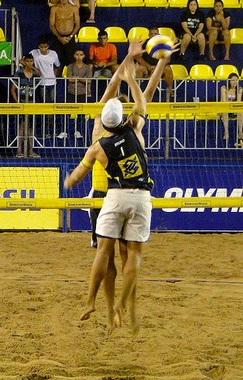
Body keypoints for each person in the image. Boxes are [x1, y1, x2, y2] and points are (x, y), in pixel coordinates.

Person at [64, 41, 168, 336]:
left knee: (110, 258)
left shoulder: (101, 133)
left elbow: (139, 91)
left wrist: (142, 62)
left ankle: (112, 311)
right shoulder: (131, 125)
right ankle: (115, 313)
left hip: (107, 196)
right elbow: (136, 93)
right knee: (125, 258)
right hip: (117, 195)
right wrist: (148, 62)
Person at [12, 53, 41, 158]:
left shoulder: (34, 74)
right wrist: (18, 103)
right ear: (24, 62)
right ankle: (19, 150)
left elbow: (40, 74)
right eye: (27, 61)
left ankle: (30, 150)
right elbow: (13, 90)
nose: (29, 63)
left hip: (31, 104)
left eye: (31, 61)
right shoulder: (19, 73)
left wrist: (32, 67)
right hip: (22, 103)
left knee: (30, 128)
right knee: (22, 127)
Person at [135, 26, 175, 100]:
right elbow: (137, 57)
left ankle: (170, 90)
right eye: (152, 34)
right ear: (149, 35)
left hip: (159, 68)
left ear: (159, 34)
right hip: (147, 67)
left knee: (168, 68)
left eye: (155, 34)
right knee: (140, 68)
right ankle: (138, 93)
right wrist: (148, 66)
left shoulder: (164, 44)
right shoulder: (144, 44)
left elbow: (167, 59)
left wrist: (157, 68)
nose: (153, 35)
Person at [61, 48, 92, 140]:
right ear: (74, 56)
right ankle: (64, 131)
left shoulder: (87, 68)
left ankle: (77, 131)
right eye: (77, 54)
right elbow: (70, 79)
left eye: (81, 54)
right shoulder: (70, 66)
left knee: (80, 113)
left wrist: (77, 77)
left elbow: (89, 81)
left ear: (84, 56)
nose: (79, 56)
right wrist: (82, 79)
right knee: (66, 112)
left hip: (82, 93)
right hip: (71, 92)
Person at [49, 0, 80, 67]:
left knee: (71, 60)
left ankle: (70, 77)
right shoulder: (54, 9)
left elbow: (77, 25)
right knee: (56, 60)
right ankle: (56, 77)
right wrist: (59, 37)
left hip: (70, 37)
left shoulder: (74, 8)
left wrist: (70, 36)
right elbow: (51, 25)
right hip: (58, 37)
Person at [219, 72, 243, 140]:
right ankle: (226, 132)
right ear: (229, 80)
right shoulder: (223, 88)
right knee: (225, 112)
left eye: (236, 80)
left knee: (241, 113)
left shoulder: (240, 89)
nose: (235, 82)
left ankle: (240, 132)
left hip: (234, 107)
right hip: (225, 107)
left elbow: (238, 101)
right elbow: (224, 101)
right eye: (233, 80)